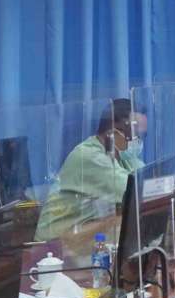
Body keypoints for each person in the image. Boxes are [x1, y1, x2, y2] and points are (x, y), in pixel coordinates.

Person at [36, 98, 147, 239]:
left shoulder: (124, 158)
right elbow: (136, 195)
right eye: (136, 135)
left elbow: (150, 186)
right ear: (114, 132)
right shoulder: (89, 156)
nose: (139, 142)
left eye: (143, 136)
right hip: (53, 245)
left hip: (83, 237)